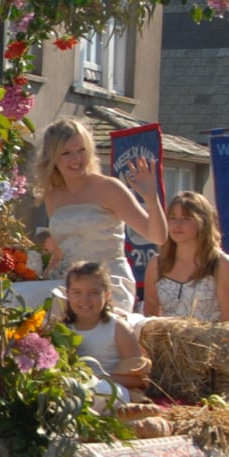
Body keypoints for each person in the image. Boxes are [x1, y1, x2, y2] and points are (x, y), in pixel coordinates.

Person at [32, 117, 166, 313]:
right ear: (52, 159)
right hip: (70, 284)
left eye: (81, 151)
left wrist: (151, 199)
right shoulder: (53, 197)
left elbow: (158, 237)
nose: (76, 159)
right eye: (66, 153)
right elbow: (61, 250)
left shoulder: (109, 188)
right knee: (18, 297)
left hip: (108, 283)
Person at [144, 191, 229, 324]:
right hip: (166, 342)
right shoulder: (156, 263)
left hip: (208, 342)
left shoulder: (221, 264)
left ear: (203, 222)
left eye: (186, 218)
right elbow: (150, 317)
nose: (177, 224)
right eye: (173, 218)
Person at [56, 260, 149, 396]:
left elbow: (139, 380)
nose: (85, 300)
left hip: (110, 389)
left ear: (106, 295)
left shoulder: (117, 328)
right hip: (73, 387)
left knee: (93, 392)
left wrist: (97, 379)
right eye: (77, 293)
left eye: (93, 293)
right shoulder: (61, 328)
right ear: (67, 295)